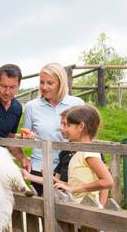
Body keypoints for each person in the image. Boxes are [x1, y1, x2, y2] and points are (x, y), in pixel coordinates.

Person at [21, 105, 113, 205]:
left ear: (81, 127)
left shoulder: (89, 153)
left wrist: (73, 189)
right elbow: (76, 184)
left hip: (86, 207)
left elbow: (108, 181)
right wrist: (60, 183)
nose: (64, 129)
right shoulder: (78, 152)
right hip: (75, 205)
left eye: (68, 125)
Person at [22, 63, 84, 195]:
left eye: (50, 83)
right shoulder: (31, 107)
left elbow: (84, 136)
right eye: (42, 82)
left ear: (61, 83)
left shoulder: (77, 104)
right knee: (41, 212)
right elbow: (25, 136)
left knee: (69, 213)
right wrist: (28, 137)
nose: (44, 87)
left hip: (69, 167)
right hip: (40, 167)